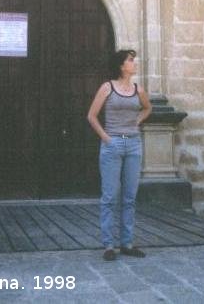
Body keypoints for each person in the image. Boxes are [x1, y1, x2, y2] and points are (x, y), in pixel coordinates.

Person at [86, 49, 152, 261]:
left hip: (133, 144)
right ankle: (108, 245)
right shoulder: (107, 87)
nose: (134, 64)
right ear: (121, 65)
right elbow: (91, 116)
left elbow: (147, 108)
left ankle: (127, 243)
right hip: (112, 145)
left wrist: (137, 122)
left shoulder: (138, 89)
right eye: (131, 60)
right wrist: (106, 138)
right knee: (109, 196)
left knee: (130, 197)